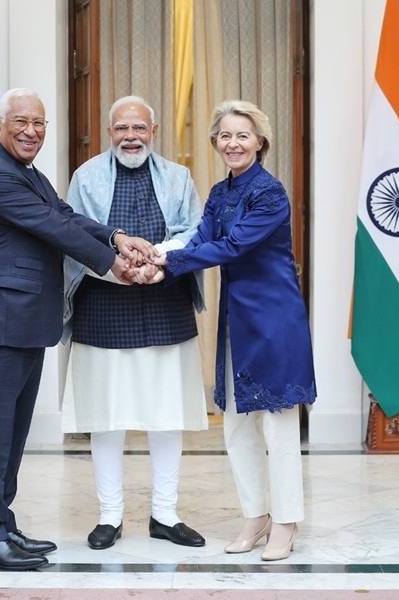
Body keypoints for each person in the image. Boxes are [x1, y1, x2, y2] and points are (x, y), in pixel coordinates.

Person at [0, 88, 158, 570]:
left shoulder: (24, 172)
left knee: (12, 433)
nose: (31, 131)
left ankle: (1, 524)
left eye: (39, 123)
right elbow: (52, 228)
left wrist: (116, 235)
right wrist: (113, 264)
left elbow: (63, 214)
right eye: (21, 121)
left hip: (21, 321)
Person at [157, 99, 316, 562]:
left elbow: (231, 246)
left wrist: (167, 263)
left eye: (242, 135)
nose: (233, 143)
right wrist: (157, 256)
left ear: (260, 142)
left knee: (279, 429)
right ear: (215, 143)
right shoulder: (218, 191)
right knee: (236, 428)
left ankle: (286, 522)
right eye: (225, 135)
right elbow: (200, 238)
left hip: (274, 322)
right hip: (235, 322)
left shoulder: (270, 193)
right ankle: (256, 516)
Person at [60, 96, 207, 551]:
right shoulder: (86, 177)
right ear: (109, 133)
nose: (130, 136)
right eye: (122, 128)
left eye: (139, 128)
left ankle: (165, 514)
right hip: (103, 304)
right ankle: (110, 516)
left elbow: (194, 230)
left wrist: (157, 262)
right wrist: (116, 268)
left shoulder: (179, 177)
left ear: (154, 131)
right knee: (106, 415)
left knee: (167, 414)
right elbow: (74, 232)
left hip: (165, 299)